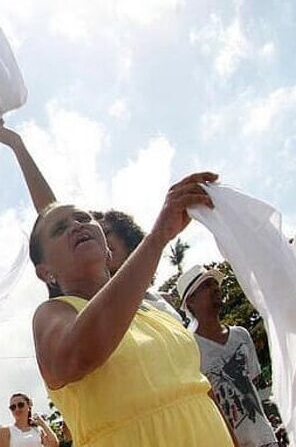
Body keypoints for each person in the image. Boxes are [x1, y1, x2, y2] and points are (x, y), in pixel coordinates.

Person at [29, 171, 233, 446]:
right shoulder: (53, 314)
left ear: (108, 247)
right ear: (46, 273)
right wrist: (158, 237)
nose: (76, 226)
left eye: (83, 218)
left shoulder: (155, 309)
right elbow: (78, 356)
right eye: (59, 229)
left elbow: (202, 389)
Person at [0, 126, 180, 319]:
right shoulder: (75, 312)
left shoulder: (159, 306)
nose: (79, 228)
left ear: (130, 243)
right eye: (61, 228)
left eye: (105, 232)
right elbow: (50, 212)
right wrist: (17, 145)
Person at [179, 265, 279, 447]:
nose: (216, 288)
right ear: (191, 300)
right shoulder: (189, 349)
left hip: (265, 438)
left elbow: (254, 384)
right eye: (207, 285)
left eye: (215, 283)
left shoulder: (241, 335)